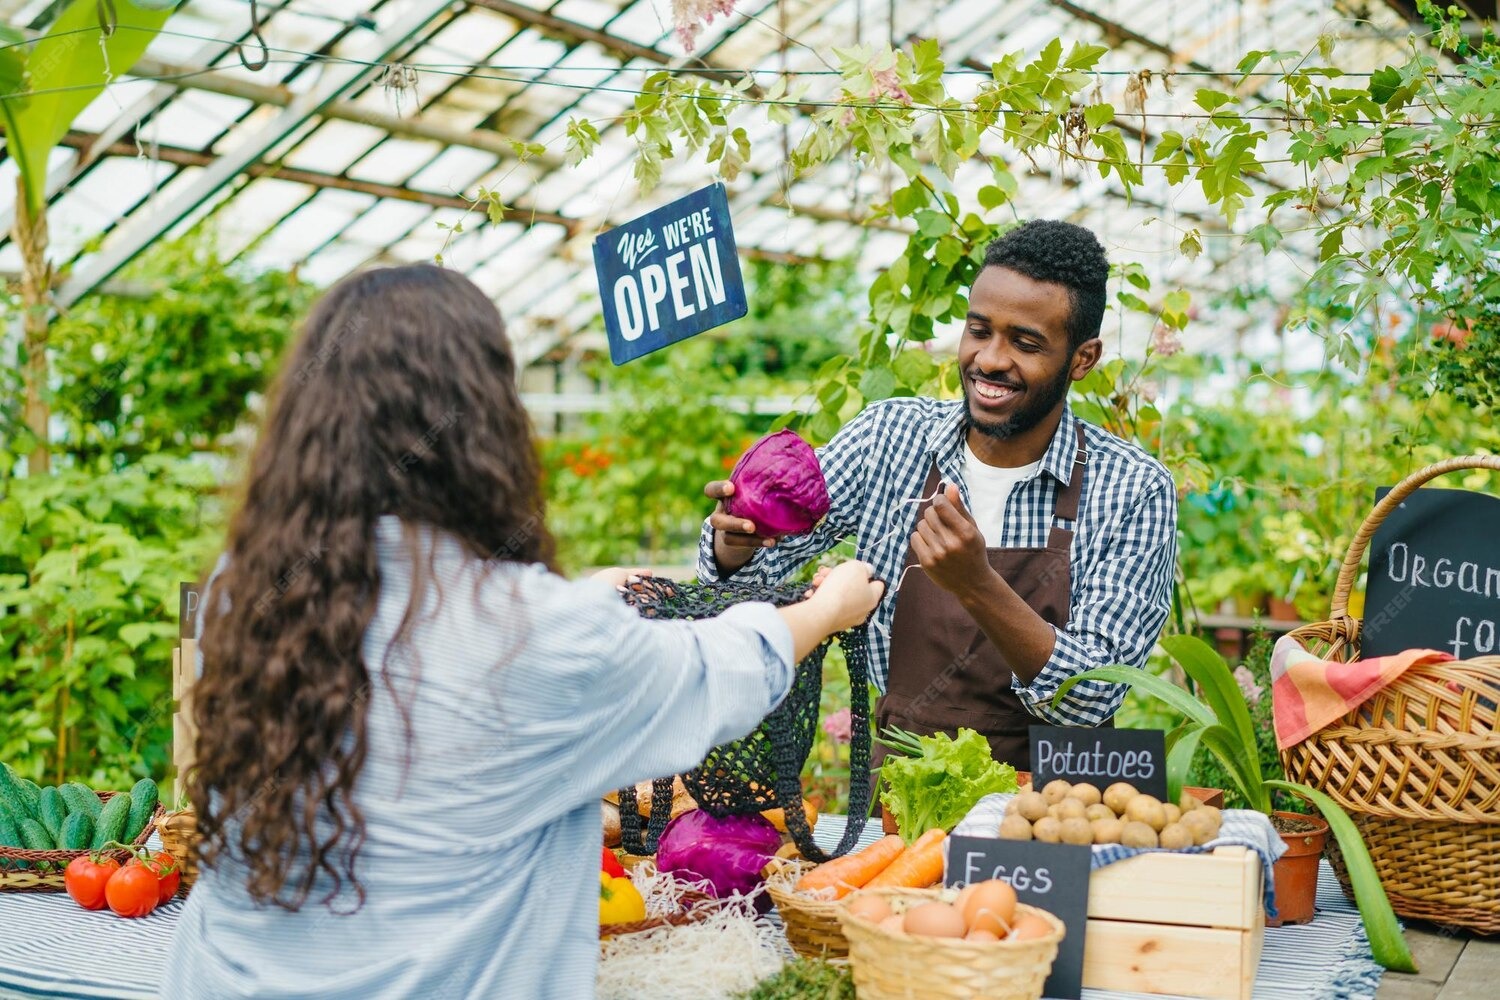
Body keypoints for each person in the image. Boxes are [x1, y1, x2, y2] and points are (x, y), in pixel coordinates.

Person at [164, 265, 884, 999]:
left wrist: (573, 601)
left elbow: (427, 651)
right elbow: (714, 670)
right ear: (484, 422)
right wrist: (828, 610)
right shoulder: (534, 636)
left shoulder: (248, 588)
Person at [700, 220, 1178, 779]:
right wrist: (735, 544)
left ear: (1082, 358)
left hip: (1055, 808)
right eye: (979, 331)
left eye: (1025, 343)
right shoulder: (889, 438)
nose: (991, 360)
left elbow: (1091, 696)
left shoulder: (1132, 488)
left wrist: (978, 586)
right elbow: (746, 581)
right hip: (907, 795)